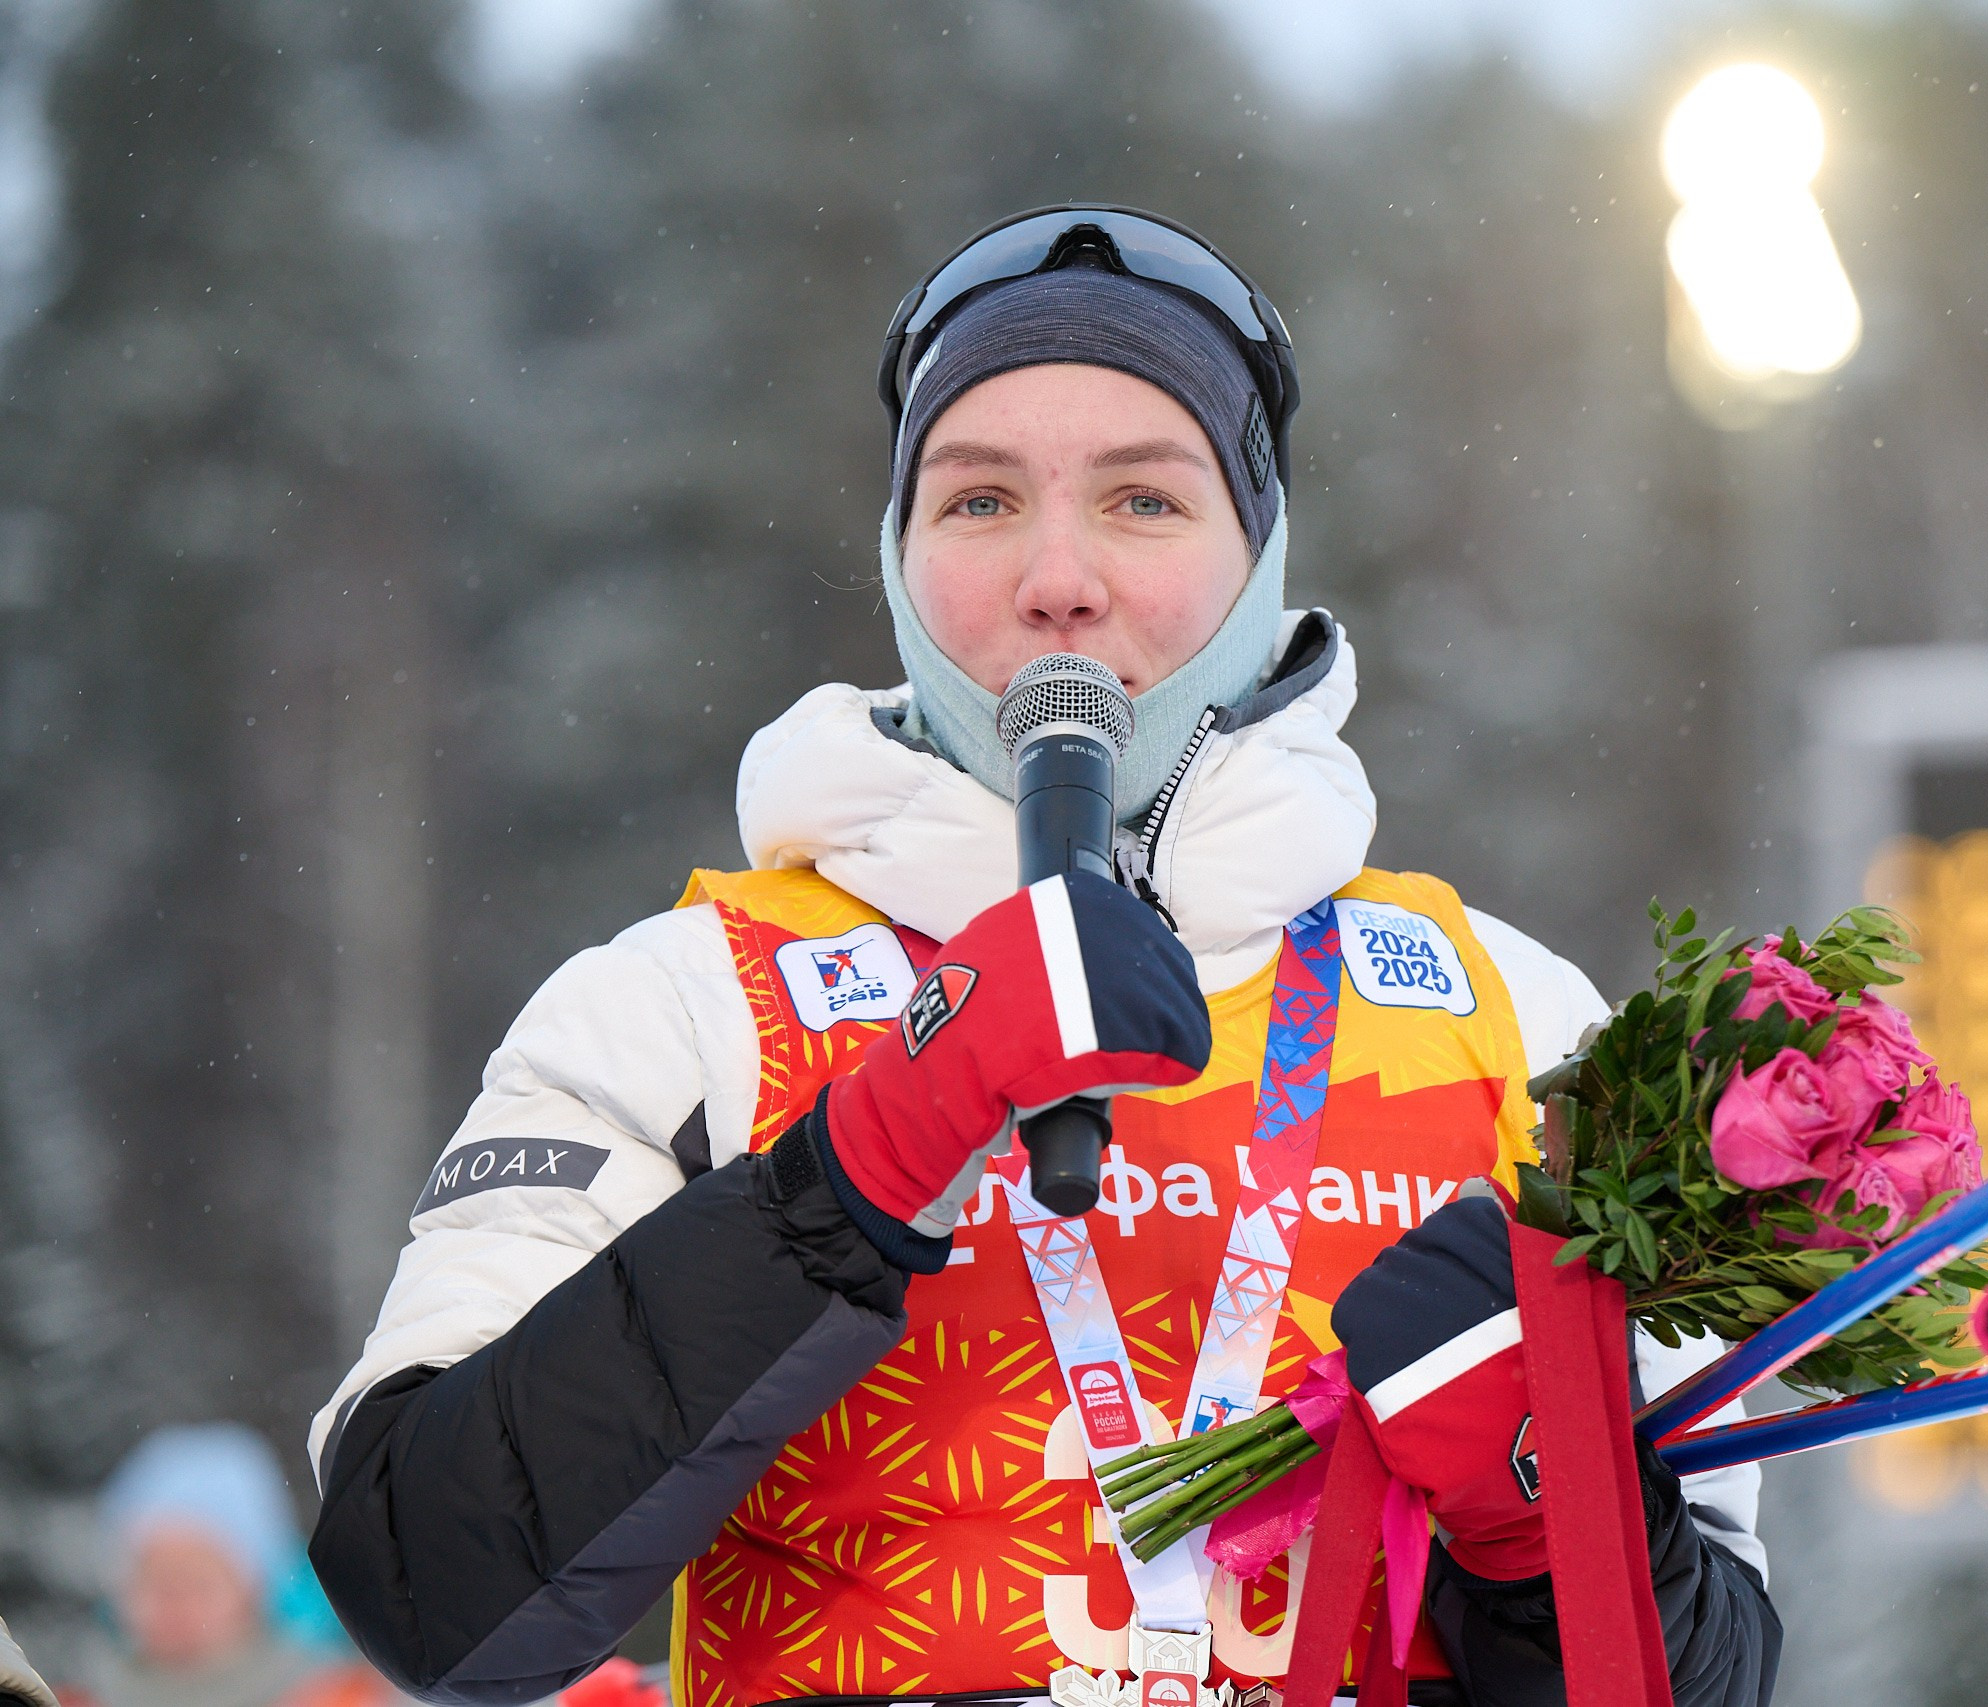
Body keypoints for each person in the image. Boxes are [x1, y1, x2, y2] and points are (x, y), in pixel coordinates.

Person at [308, 206, 1780, 1707]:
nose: (1057, 577)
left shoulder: (1511, 1017)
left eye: (1145, 501)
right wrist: (856, 1166)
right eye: (980, 501)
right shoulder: (689, 1000)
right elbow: (430, 1586)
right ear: (897, 556)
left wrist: (1540, 1511)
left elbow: (1707, 1682)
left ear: (1260, 554)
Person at [85, 1426, 388, 1707]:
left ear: (255, 1591)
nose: (175, 1603)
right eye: (154, 1581)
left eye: (200, 1584)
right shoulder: (71, 1699)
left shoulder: (338, 1697)